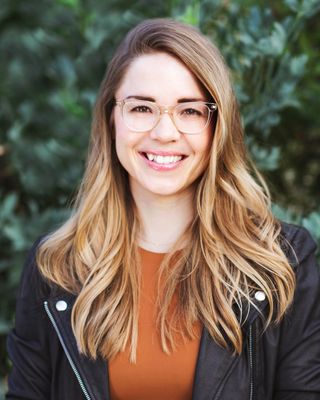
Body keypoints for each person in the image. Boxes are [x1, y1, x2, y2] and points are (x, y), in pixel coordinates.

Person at [6, 18, 320, 400]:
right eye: (141, 108)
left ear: (217, 127)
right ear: (112, 119)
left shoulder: (282, 263)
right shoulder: (55, 267)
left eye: (189, 111)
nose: (164, 132)